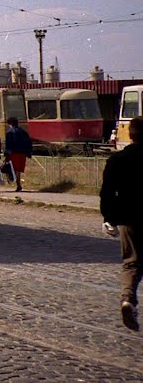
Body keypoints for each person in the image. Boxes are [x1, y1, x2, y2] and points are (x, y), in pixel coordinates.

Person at [100, 115, 143, 332]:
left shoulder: (117, 159)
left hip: (129, 218)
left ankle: (127, 300)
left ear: (130, 134)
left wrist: (108, 217)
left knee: (132, 263)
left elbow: (107, 192)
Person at [4, 116, 33, 192]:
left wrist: (6, 154)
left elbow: (8, 144)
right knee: (18, 170)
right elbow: (29, 142)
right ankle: (18, 184)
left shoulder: (9, 132)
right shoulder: (23, 132)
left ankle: (17, 184)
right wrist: (29, 153)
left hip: (13, 153)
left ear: (10, 124)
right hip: (23, 153)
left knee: (13, 169)